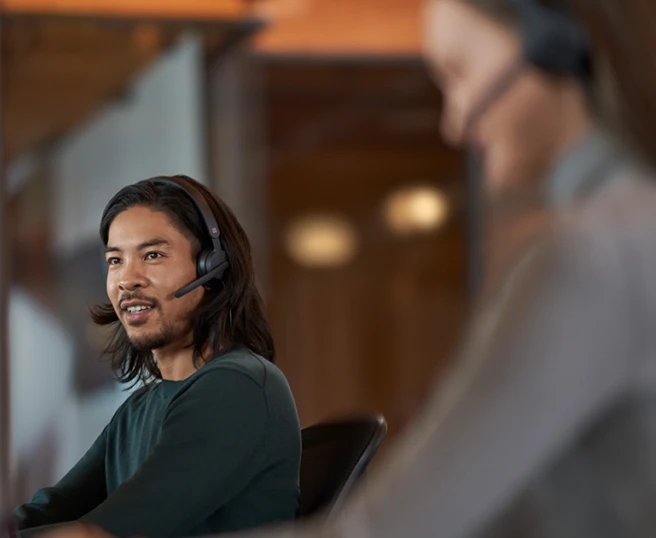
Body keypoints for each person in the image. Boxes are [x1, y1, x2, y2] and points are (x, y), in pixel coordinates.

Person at [172, 1, 655, 537]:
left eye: (459, 73)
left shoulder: (593, 256)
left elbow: (384, 532)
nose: (454, 122)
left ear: (554, 44)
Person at [13, 175, 302, 538]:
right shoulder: (139, 409)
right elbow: (52, 509)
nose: (126, 279)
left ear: (210, 268)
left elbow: (103, 533)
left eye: (153, 255)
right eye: (115, 260)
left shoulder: (237, 388)